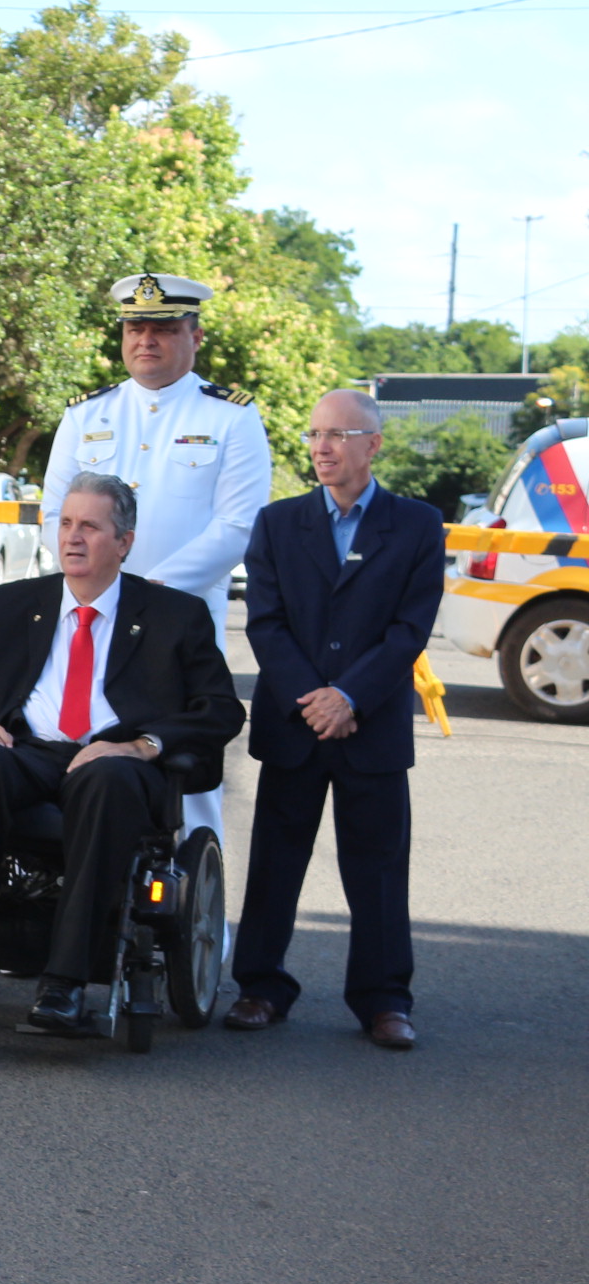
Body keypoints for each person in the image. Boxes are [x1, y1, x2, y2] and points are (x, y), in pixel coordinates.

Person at [0, 475, 246, 1035]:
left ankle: (64, 983)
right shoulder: (19, 604)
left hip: (114, 761)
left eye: (90, 526)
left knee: (107, 780)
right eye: (65, 523)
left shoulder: (174, 615)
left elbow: (220, 709)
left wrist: (141, 745)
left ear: (124, 542)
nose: (73, 537)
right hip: (29, 751)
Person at [227, 390, 443, 1051]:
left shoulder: (417, 525)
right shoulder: (277, 522)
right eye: (315, 434)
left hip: (370, 726)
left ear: (373, 445)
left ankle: (384, 1000)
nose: (322, 447)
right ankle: (261, 987)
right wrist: (315, 699)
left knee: (378, 870)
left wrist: (349, 697)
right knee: (274, 865)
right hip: (295, 726)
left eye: (338, 435)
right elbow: (266, 623)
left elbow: (409, 630)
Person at [39, 274, 273, 843]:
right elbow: (53, 516)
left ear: (195, 337)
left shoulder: (231, 417)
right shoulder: (87, 414)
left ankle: (197, 897)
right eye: (135, 328)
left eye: (163, 329)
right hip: (89, 621)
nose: (146, 340)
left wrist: (148, 596)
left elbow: (238, 526)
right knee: (72, 755)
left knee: (187, 777)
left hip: (179, 626)